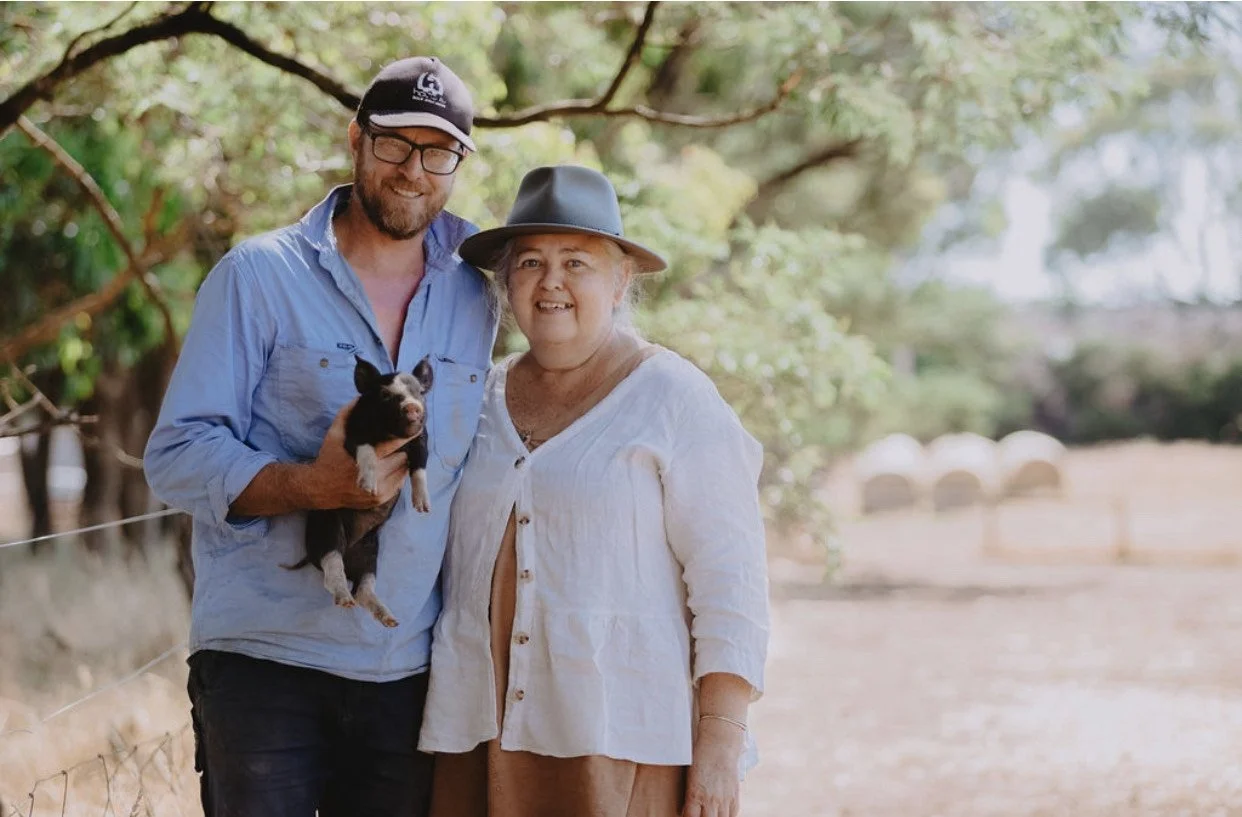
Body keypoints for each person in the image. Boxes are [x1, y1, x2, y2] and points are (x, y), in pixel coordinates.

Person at [143, 56, 498, 817]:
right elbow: (174, 455)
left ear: (459, 162)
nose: (413, 171)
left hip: (405, 670)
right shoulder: (258, 276)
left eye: (437, 153)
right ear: (356, 139)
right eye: (395, 144)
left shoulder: (481, 292)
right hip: (264, 664)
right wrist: (314, 485)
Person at [419, 165, 770, 817]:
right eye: (530, 262)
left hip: (621, 745)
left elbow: (732, 581)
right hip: (479, 740)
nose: (550, 282)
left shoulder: (674, 397)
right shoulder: (475, 396)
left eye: (576, 261)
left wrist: (721, 744)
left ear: (620, 280)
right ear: (507, 284)